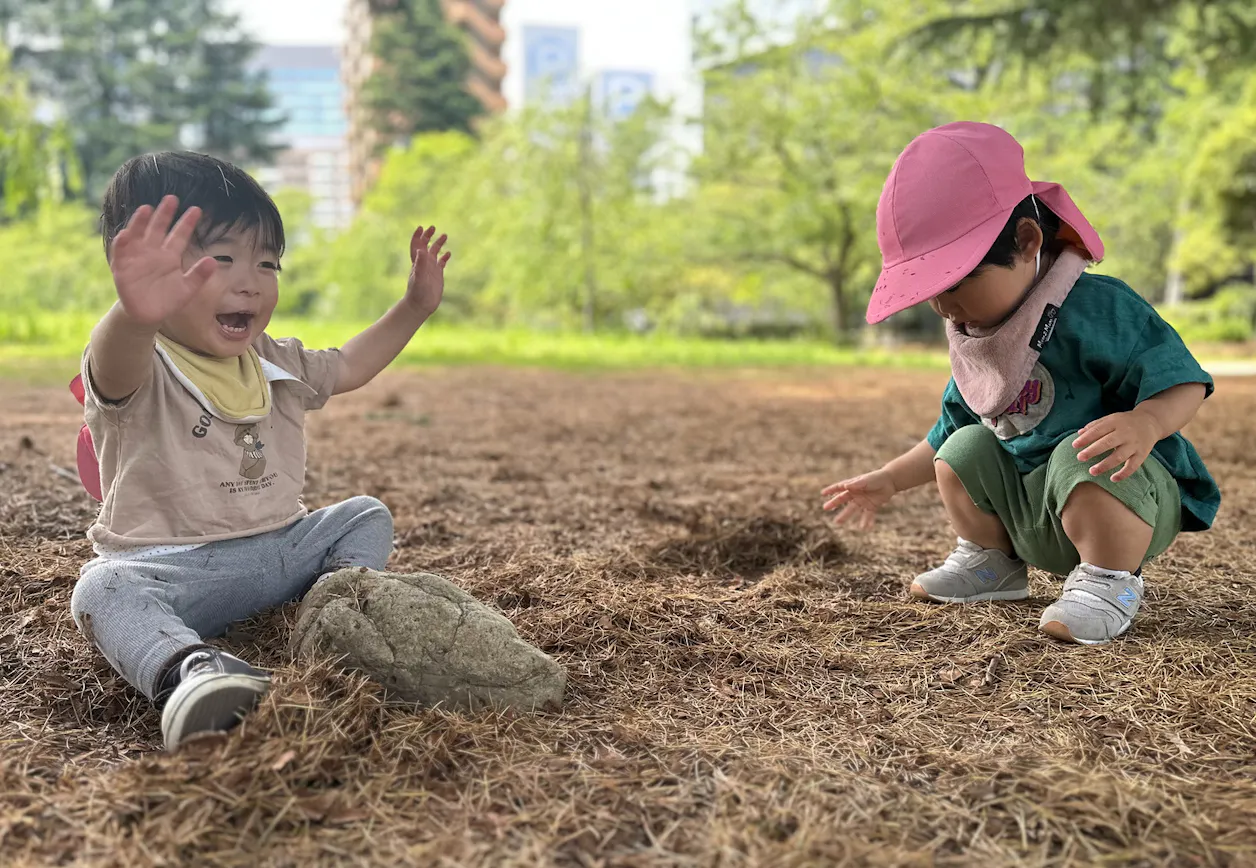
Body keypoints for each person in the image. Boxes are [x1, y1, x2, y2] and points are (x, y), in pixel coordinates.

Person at [70, 151, 451, 750]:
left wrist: (414, 308)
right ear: (153, 269)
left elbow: (349, 365)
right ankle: (189, 672)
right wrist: (132, 313)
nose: (250, 280)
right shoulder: (142, 362)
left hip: (279, 549)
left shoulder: (274, 359)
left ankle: (336, 612)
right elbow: (114, 363)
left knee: (364, 514)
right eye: (222, 259)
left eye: (267, 263)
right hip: (175, 568)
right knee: (100, 590)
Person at [821, 121, 1219, 646]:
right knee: (964, 447)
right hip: (1032, 508)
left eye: (958, 283)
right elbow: (948, 431)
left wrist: (1146, 422)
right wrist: (891, 479)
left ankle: (1108, 583)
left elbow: (1183, 380)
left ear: (1027, 242)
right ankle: (992, 566)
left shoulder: (1102, 309)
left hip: (1122, 494)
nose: (943, 307)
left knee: (1081, 453)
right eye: (931, 292)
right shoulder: (978, 336)